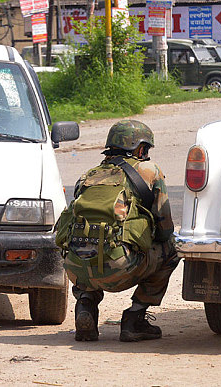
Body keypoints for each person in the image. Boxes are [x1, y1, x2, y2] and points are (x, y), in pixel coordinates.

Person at [55, 120, 180, 342]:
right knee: (172, 249)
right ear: (140, 148)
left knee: (88, 247)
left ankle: (85, 306)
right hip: (119, 269)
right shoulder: (149, 170)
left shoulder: (87, 176)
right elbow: (164, 228)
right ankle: (135, 319)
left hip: (77, 269)